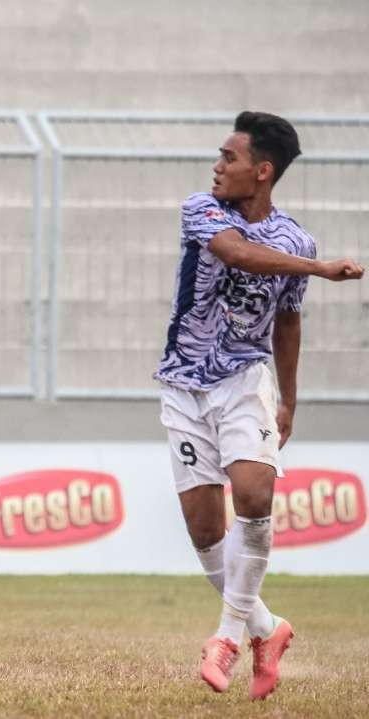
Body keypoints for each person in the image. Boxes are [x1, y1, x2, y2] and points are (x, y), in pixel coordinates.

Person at [154, 111, 364, 699]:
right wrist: (321, 269)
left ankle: (226, 636)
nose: (217, 167)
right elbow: (238, 254)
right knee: (204, 531)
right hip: (183, 384)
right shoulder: (203, 209)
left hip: (245, 381)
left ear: (262, 171)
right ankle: (267, 630)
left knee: (253, 496)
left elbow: (288, 322)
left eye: (230, 158)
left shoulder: (296, 239)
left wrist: (289, 401)